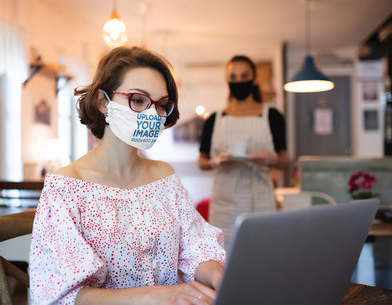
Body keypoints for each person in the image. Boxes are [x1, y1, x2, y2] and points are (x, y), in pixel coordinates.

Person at [29, 46, 226, 305]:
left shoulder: (164, 178)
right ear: (103, 103)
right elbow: (59, 294)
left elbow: (196, 246)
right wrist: (157, 296)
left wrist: (221, 277)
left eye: (161, 104)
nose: (151, 114)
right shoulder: (66, 189)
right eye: (138, 100)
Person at [198, 55, 288, 250]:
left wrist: (271, 159)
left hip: (261, 200)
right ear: (227, 80)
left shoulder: (272, 116)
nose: (238, 81)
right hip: (224, 204)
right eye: (233, 77)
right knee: (224, 258)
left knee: (262, 254)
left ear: (254, 79)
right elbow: (202, 161)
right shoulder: (215, 119)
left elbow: (284, 161)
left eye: (244, 76)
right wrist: (216, 161)